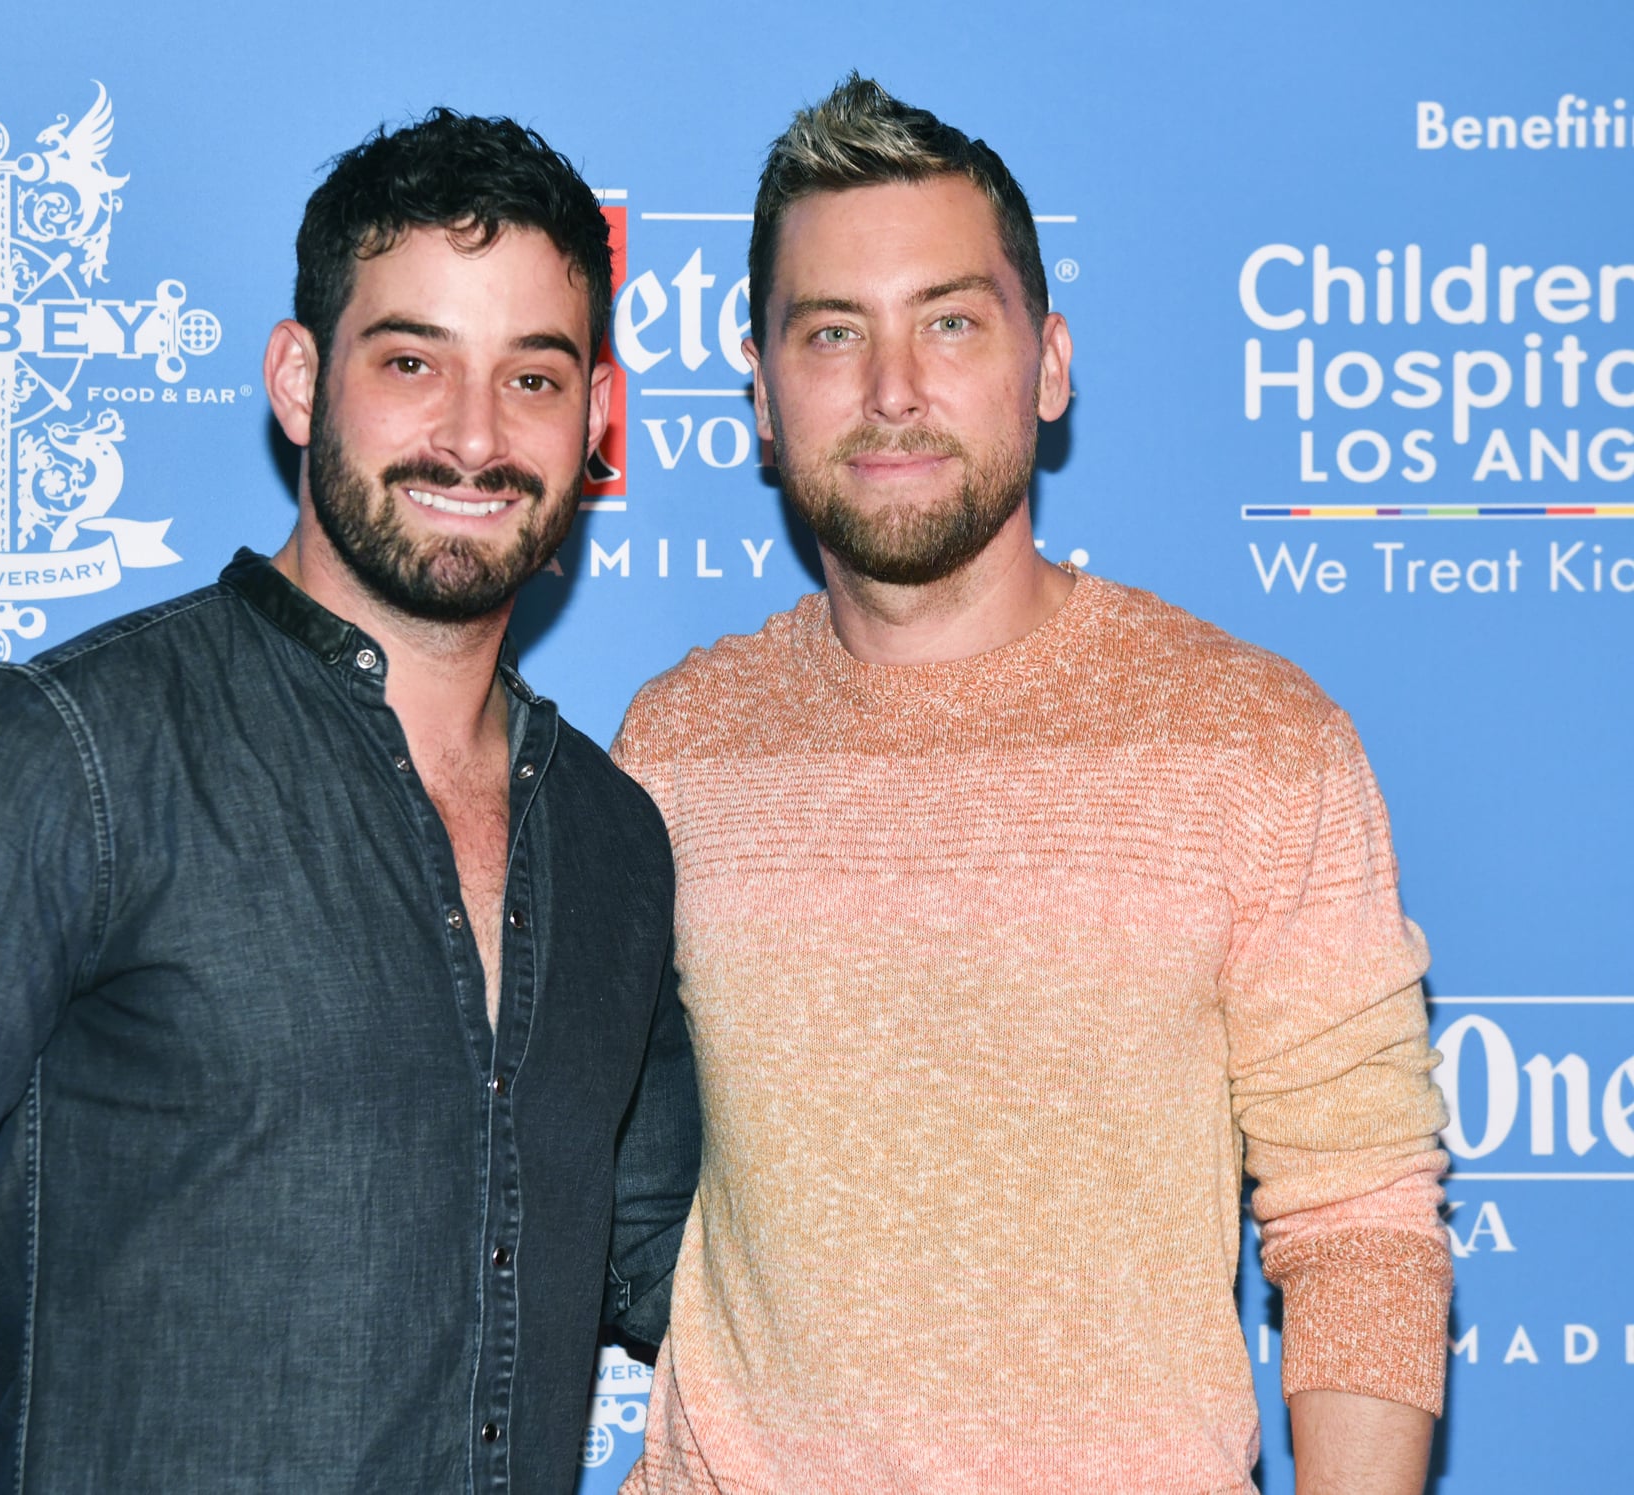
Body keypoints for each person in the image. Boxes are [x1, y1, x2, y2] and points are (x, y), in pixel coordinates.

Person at [0, 109, 699, 1495]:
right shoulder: (67, 752)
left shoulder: (611, 837)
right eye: (413, 361)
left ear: (594, 418)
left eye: (534, 378)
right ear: (300, 381)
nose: (475, 436)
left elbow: (675, 1264)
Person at [612, 75, 1451, 1494]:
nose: (892, 392)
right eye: (832, 333)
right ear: (760, 395)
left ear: (1047, 364)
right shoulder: (679, 746)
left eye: (950, 321)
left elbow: (1359, 1214)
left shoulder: (1250, 739)